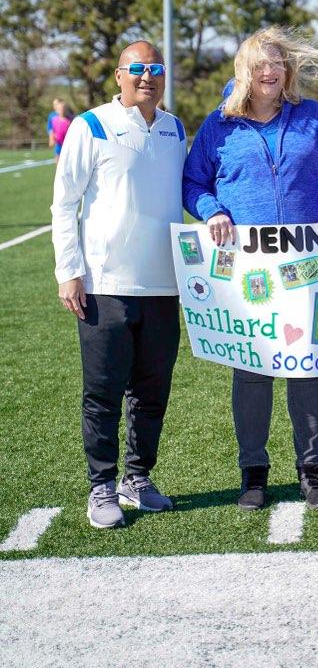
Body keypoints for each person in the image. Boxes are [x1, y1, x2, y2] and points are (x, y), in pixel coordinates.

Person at [182, 27, 318, 512]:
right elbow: (192, 182)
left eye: (278, 63)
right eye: (261, 64)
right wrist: (212, 210)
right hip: (248, 270)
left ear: (288, 70)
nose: (269, 72)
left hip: (309, 263)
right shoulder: (218, 126)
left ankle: (312, 472)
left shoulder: (315, 118)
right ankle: (254, 474)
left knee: (306, 369)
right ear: (244, 70)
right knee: (251, 374)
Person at [52, 41, 186, 528]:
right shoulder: (90, 126)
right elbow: (64, 202)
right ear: (119, 76)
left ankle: (137, 478)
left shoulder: (175, 129)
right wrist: (69, 270)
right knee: (104, 391)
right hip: (105, 283)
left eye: (155, 69)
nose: (146, 77)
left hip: (164, 285)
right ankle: (102, 486)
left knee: (153, 391)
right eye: (137, 69)